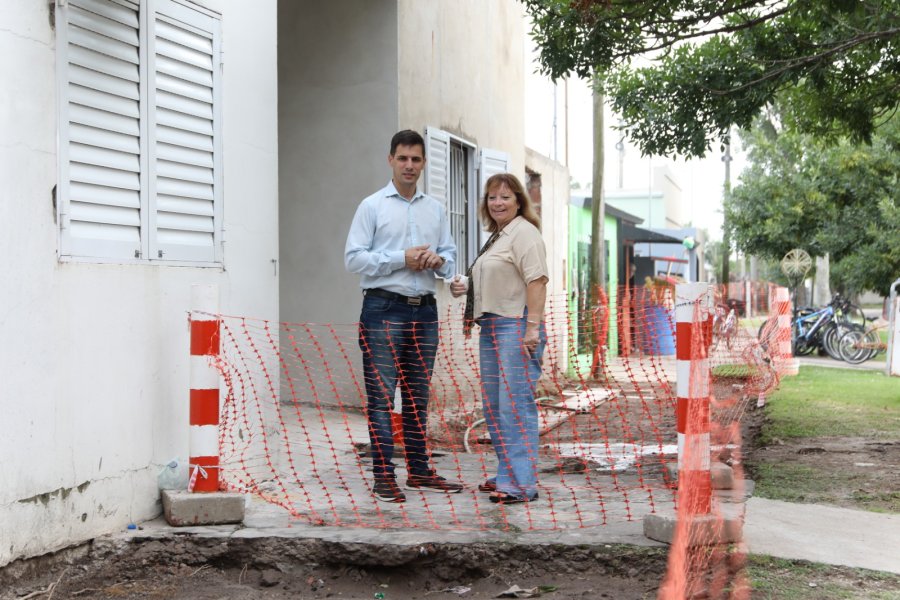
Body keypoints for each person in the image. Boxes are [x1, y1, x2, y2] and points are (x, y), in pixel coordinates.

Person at [345, 129, 463, 503]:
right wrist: (402, 258)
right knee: (381, 398)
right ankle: (384, 476)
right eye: (402, 158)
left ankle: (419, 471)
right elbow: (353, 259)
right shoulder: (372, 206)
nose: (409, 165)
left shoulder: (436, 209)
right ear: (390, 160)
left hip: (425, 311)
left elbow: (450, 258)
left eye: (415, 159)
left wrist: (439, 261)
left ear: (424, 163)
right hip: (383, 309)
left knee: (417, 397)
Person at [450, 173, 548, 504]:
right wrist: (465, 285)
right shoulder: (497, 237)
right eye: (492, 197)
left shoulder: (524, 233)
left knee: (514, 406)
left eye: (505, 197)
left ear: (519, 201)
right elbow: (498, 278)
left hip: (515, 327)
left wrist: (532, 329)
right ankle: (509, 471)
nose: (497, 203)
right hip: (492, 327)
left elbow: (537, 281)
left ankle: (520, 484)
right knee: (495, 407)